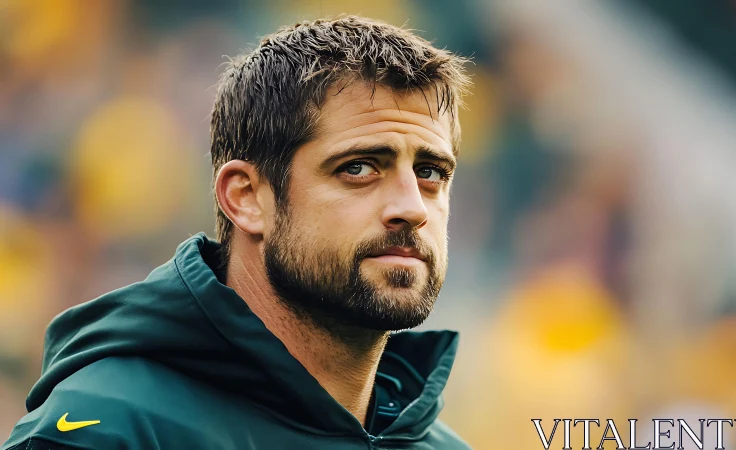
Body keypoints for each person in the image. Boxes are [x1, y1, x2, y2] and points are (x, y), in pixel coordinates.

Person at [2, 16, 471, 450]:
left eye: (430, 172)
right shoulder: (107, 428)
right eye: (360, 167)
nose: (412, 207)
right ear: (246, 198)